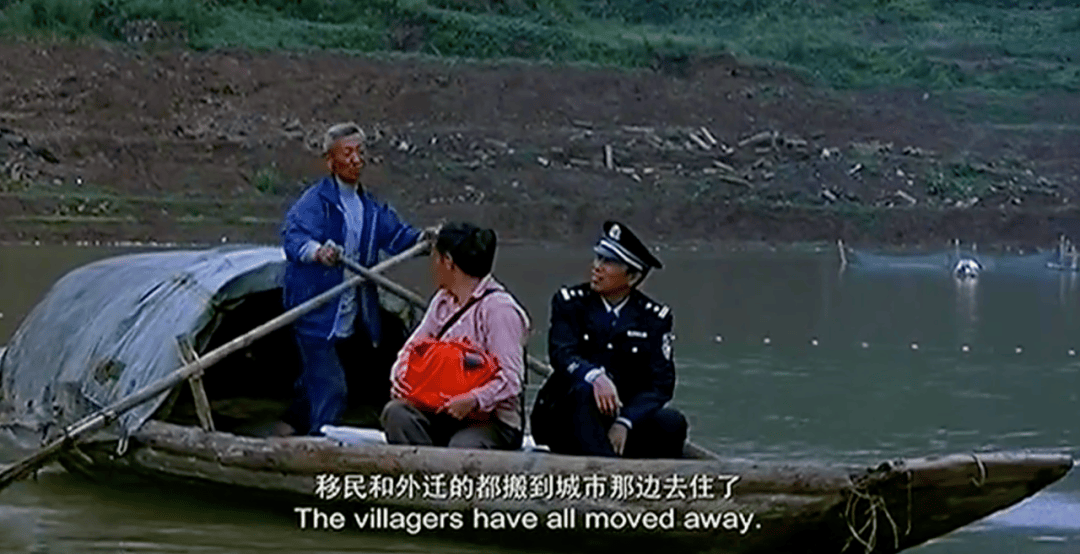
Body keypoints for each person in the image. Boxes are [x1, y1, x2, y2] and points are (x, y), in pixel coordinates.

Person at [279, 122, 429, 436]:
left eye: (360, 152)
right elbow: (293, 238)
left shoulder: (370, 208)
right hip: (316, 313)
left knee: (317, 380)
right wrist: (318, 252)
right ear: (330, 161)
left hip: (353, 311)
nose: (356, 160)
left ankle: (291, 426)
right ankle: (320, 445)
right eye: (347, 153)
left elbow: (398, 236)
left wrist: (424, 240)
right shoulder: (315, 203)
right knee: (332, 389)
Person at [531, 221, 687, 458]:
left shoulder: (653, 319)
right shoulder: (571, 303)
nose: (597, 267)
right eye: (598, 258)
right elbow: (561, 354)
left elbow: (661, 385)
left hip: (618, 415)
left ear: (632, 277)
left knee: (672, 424)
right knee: (585, 393)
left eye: (609, 262)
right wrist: (595, 377)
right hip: (564, 415)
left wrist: (626, 421)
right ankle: (608, 471)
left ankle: (640, 471)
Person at [381, 222, 530, 449]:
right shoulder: (442, 301)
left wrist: (473, 400)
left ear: (448, 262)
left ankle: (444, 470)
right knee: (396, 414)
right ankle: (424, 471)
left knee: (463, 446)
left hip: (491, 419)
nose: (432, 266)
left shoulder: (500, 310)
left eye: (435, 257)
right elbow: (412, 349)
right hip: (440, 409)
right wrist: (401, 379)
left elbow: (511, 381)